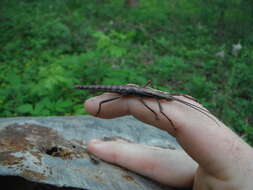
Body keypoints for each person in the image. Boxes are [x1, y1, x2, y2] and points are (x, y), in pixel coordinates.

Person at [84, 92, 253, 189]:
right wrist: (160, 114)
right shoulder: (146, 97)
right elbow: (156, 108)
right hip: (130, 92)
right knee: (157, 110)